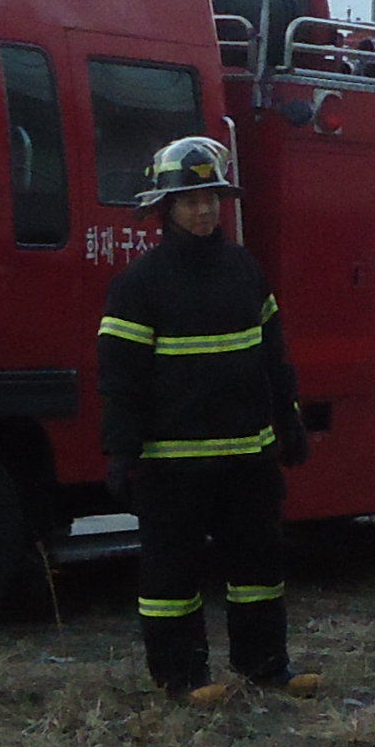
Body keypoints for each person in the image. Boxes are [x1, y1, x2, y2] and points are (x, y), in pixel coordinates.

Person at [97, 136, 315, 706]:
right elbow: (120, 377)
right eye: (192, 201)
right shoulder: (139, 285)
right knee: (172, 578)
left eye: (212, 198)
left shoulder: (244, 269)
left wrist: (289, 418)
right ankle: (182, 678)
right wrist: (121, 450)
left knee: (260, 569)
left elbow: (274, 355)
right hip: (173, 466)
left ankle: (266, 666)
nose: (205, 210)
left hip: (248, 457)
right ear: (166, 208)